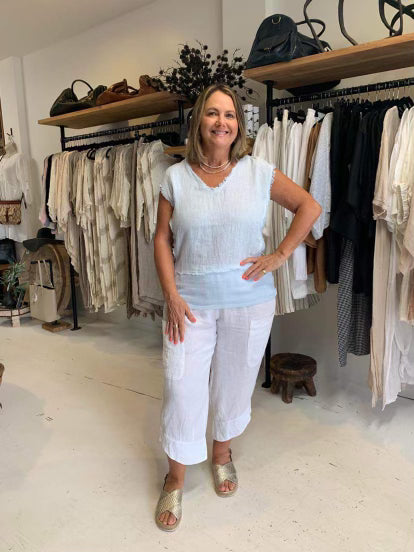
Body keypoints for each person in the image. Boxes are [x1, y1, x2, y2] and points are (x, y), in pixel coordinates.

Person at [153, 83, 321, 531]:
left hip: (248, 302)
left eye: (229, 114)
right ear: (199, 121)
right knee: (181, 386)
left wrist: (280, 255)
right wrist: (170, 294)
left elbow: (309, 206)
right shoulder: (175, 178)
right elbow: (162, 238)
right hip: (189, 304)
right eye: (212, 113)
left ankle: (222, 454)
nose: (221, 122)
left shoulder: (258, 172)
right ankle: (175, 476)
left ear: (238, 125)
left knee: (234, 381)